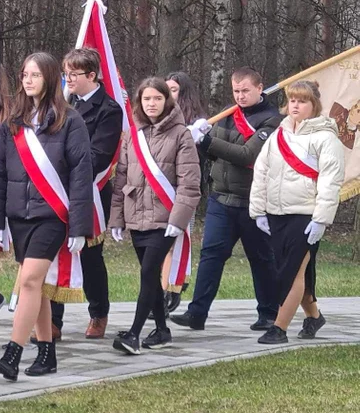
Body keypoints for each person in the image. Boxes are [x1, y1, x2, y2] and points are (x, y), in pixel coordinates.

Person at [0, 52, 92, 380]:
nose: (28, 81)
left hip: (53, 215)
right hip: (19, 215)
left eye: (35, 75)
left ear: (49, 79)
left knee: (29, 280)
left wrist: (79, 225)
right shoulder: (12, 123)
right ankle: (47, 354)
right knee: (38, 286)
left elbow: (80, 175)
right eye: (24, 75)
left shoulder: (70, 121)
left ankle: (13, 354)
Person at [171, 67, 282, 332]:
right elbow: (216, 155)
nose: (240, 96)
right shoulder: (228, 115)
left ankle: (268, 312)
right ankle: (197, 313)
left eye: (245, 90)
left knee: (261, 258)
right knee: (211, 254)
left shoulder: (272, 120)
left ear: (259, 88)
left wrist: (207, 141)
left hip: (253, 201)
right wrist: (199, 142)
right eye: (236, 91)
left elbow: (247, 156)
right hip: (221, 198)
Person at [249, 80, 344, 344]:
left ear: (314, 105)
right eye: (292, 100)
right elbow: (262, 171)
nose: (295, 105)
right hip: (276, 213)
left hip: (306, 215)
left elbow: (330, 181)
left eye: (302, 101)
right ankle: (313, 316)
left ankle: (279, 328)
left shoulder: (326, 138)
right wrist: (258, 211)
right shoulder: (279, 134)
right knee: (292, 270)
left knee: (290, 272)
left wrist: (321, 219)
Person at [110, 78, 201, 355]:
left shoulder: (181, 135)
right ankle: (162, 330)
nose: (152, 104)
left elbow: (190, 183)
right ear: (140, 101)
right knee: (149, 276)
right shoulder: (131, 135)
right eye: (147, 99)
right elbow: (121, 178)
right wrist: (116, 219)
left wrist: (178, 220)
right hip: (136, 215)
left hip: (166, 216)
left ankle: (134, 333)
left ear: (167, 101)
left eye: (157, 99)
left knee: (150, 272)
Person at [48, 47, 123, 340]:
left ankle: (98, 312)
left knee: (90, 258)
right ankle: (54, 321)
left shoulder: (108, 109)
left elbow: (99, 156)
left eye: (73, 75)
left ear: (91, 75)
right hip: (58, 190)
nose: (67, 81)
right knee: (54, 253)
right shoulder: (62, 105)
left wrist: (61, 162)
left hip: (91, 194)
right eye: (65, 75)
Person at [160, 70, 206, 313]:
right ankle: (162, 289)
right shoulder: (155, 119)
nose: (168, 95)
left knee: (176, 240)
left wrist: (199, 137)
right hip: (158, 188)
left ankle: (171, 289)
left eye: (174, 90)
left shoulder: (196, 124)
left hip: (181, 189)